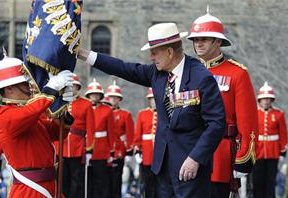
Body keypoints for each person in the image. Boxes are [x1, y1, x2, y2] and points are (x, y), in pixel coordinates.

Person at [77, 22, 226, 197]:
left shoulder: (201, 77)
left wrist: (195, 158)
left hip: (190, 168)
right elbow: (123, 68)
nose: (151, 58)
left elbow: (216, 123)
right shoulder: (157, 73)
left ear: (170, 52)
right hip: (161, 168)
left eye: (154, 52)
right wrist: (83, 54)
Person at [186, 9, 258, 197]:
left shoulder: (237, 74)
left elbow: (247, 122)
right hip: (187, 153)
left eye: (204, 39)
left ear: (218, 42)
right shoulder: (186, 72)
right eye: (195, 39)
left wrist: (243, 159)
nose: (198, 44)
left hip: (220, 156)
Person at [0, 54, 74, 197]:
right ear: (10, 88)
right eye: (25, 83)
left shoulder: (27, 113)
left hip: (49, 184)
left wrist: (62, 109)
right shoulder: (5, 115)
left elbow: (54, 133)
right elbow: (33, 110)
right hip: (30, 189)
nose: (30, 86)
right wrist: (51, 89)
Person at [61, 73, 95, 198]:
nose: (71, 89)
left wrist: (89, 149)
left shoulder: (86, 104)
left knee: (77, 181)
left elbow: (91, 128)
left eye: (73, 86)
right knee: (63, 179)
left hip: (78, 147)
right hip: (62, 147)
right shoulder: (60, 103)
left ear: (77, 88)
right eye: (69, 86)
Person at [252, 82, 287, 198]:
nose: (266, 101)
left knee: (270, 182)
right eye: (264, 99)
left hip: (273, 153)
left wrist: (282, 153)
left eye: (268, 99)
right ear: (260, 100)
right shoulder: (254, 114)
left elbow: (283, 135)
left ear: (272, 100)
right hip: (258, 152)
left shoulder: (279, 114)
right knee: (258, 181)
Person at [84, 79, 117, 198]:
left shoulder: (107, 110)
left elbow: (111, 133)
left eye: (97, 94)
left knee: (101, 181)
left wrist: (111, 151)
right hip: (86, 148)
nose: (94, 96)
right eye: (92, 94)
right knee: (87, 181)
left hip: (101, 150)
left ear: (100, 96)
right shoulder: (85, 107)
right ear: (89, 95)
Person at [105, 80, 134, 198]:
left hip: (118, 150)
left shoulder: (125, 114)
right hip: (104, 150)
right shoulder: (102, 112)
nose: (113, 100)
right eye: (111, 97)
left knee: (116, 181)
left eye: (115, 97)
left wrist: (128, 153)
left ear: (119, 99)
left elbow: (130, 134)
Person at [133, 88, 158, 198]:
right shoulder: (142, 114)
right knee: (147, 183)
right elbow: (138, 135)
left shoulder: (164, 114)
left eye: (155, 99)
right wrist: (138, 150)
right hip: (146, 155)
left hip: (159, 154)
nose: (154, 101)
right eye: (152, 99)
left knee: (160, 184)